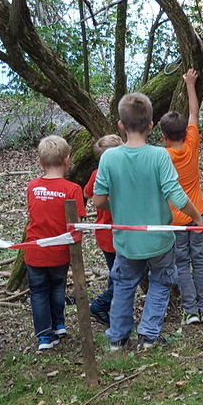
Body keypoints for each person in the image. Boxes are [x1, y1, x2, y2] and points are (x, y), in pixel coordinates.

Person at [92, 92, 203, 350]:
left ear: (121, 125)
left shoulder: (109, 157)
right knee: (161, 283)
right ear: (151, 125)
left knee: (123, 285)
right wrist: (197, 217)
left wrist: (118, 206)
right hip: (158, 239)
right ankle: (148, 335)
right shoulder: (159, 156)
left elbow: (98, 200)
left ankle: (118, 338)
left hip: (128, 240)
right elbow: (177, 196)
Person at [160, 68, 203, 325]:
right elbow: (194, 113)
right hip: (198, 213)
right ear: (184, 132)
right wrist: (190, 84)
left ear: (164, 137)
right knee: (200, 261)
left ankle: (191, 311)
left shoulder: (163, 157)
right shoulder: (192, 143)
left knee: (182, 263)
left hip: (177, 219)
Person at [23, 135, 86, 352]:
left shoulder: (33, 186)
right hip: (60, 250)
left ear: (40, 161)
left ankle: (45, 334)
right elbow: (77, 220)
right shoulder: (73, 189)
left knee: (39, 292)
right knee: (58, 286)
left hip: (35, 249)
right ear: (67, 160)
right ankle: (58, 324)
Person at [83, 133, 125, 328]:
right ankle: (99, 305)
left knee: (116, 274)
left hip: (106, 234)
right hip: (115, 235)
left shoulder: (97, 174)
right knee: (122, 277)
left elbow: (87, 193)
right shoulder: (121, 174)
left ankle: (109, 309)